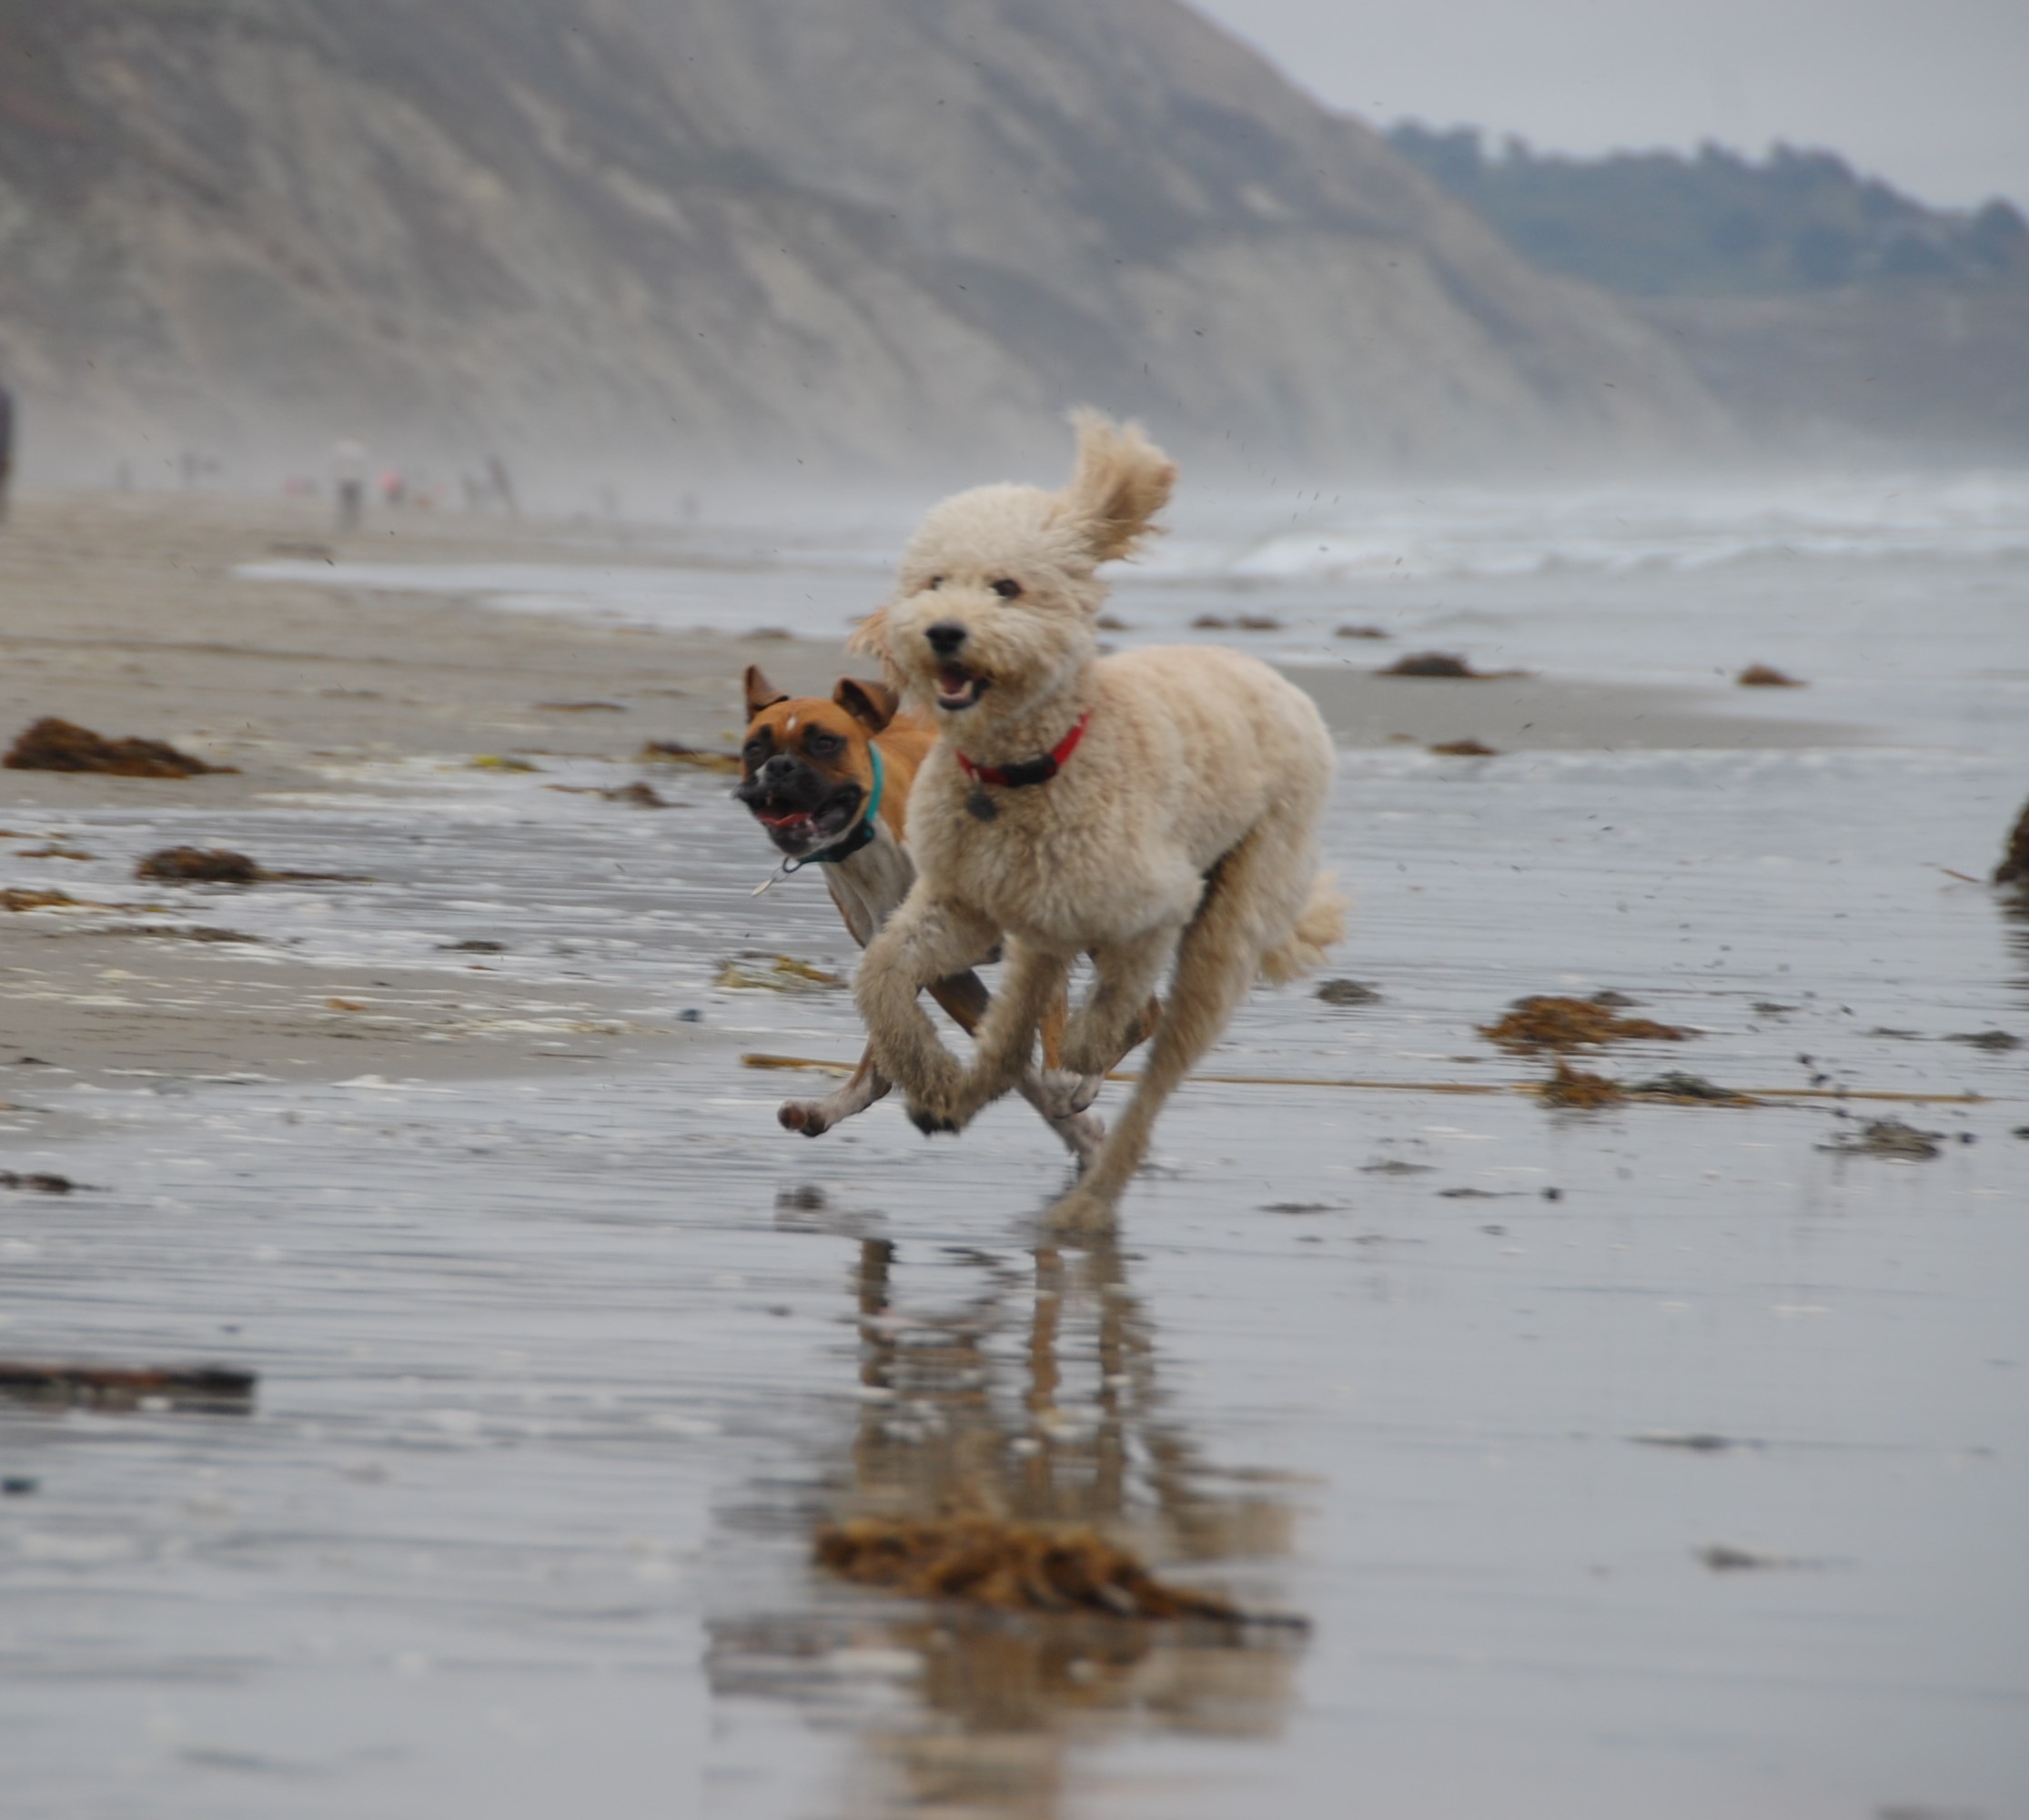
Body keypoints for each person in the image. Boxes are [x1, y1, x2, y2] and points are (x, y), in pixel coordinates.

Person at [331, 438, 366, 531]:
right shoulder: (360, 450)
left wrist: (337, 476)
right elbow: (361, 466)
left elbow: (337, 464)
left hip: (345, 481)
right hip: (354, 481)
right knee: (352, 504)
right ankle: (352, 523)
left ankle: (345, 522)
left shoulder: (341, 449)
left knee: (345, 504)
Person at [0, 380, 15, 525]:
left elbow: (9, 426)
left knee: (2, 483)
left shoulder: (5, 396)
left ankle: (2, 516)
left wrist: (8, 452)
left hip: (2, 449)